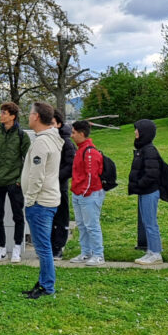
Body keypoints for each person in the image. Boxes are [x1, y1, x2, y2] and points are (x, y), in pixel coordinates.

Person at [19, 102, 63, 298]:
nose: (28, 117)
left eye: (30, 113)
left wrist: (30, 199)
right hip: (49, 199)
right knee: (44, 246)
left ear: (36, 117)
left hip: (40, 202)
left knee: (43, 247)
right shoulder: (52, 138)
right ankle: (45, 281)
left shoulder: (41, 142)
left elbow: (37, 175)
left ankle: (47, 286)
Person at [0, 101, 31, 262]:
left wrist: (20, 180)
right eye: (1, 112)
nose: (0, 115)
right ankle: (1, 249)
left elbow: (28, 160)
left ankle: (17, 249)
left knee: (18, 216)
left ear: (12, 116)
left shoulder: (22, 135)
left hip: (14, 182)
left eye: (4, 113)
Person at [68, 119, 106, 265]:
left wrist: (84, 192)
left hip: (89, 194)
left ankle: (98, 254)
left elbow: (91, 175)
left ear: (81, 133)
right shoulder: (81, 149)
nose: (72, 135)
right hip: (79, 193)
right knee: (82, 225)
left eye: (74, 133)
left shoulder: (90, 152)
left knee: (92, 225)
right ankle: (86, 252)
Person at [129, 119, 164, 265]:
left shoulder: (149, 150)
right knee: (146, 221)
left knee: (150, 222)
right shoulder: (142, 149)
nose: (135, 132)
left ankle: (156, 253)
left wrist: (139, 184)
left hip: (149, 191)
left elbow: (151, 174)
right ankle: (150, 251)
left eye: (137, 129)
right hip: (144, 191)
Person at [51, 110, 76, 259]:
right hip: (47, 187)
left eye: (53, 123)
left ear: (59, 124)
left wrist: (55, 177)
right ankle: (49, 246)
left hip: (59, 186)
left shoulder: (66, 142)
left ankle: (59, 247)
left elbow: (71, 165)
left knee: (61, 218)